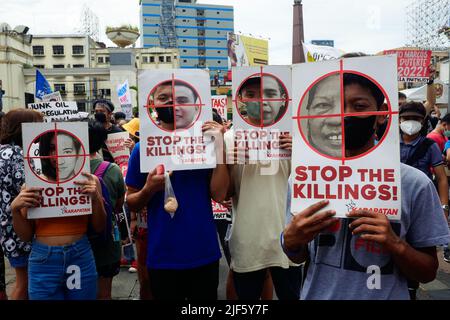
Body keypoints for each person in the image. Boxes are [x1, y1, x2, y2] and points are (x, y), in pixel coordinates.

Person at [282, 59, 450, 300]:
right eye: (334, 107)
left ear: (381, 114)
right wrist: (291, 240)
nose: (345, 115)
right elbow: (296, 256)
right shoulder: (303, 179)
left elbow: (427, 272)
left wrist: (395, 244)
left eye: (359, 106)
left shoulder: (414, 183)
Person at [126, 119, 229, 300]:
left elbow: (219, 195)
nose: (172, 104)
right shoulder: (142, 149)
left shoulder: (207, 146)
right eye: (164, 97)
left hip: (203, 252)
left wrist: (219, 147)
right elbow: (132, 202)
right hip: (162, 255)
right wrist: (148, 189)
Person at [11, 127, 107, 300]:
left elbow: (99, 227)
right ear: (44, 152)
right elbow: (25, 236)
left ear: (78, 151)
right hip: (43, 260)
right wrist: (15, 210)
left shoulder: (89, 182)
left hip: (80, 255)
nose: (57, 155)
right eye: (52, 148)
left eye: (66, 149)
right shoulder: (32, 186)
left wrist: (96, 198)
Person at [224, 119, 300, 299]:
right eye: (251, 94)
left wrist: (301, 154)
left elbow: (312, 186)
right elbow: (223, 194)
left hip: (289, 238)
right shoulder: (229, 138)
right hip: (248, 241)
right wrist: (228, 163)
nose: (260, 101)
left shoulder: (296, 138)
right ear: (240, 98)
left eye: (268, 93)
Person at [0, 109, 44, 300]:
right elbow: (30, 189)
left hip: (6, 229)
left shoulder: (3, 151)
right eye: (38, 125)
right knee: (24, 284)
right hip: (17, 230)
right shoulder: (17, 155)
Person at [88, 119, 125, 300]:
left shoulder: (63, 170)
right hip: (106, 243)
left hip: (77, 242)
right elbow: (119, 205)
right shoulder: (112, 170)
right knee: (104, 293)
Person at [399, 102, 448, 221]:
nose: (411, 122)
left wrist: (444, 209)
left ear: (422, 121)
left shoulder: (430, 146)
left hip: (422, 201)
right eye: (406, 118)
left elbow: (441, 178)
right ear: (399, 120)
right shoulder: (389, 144)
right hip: (396, 202)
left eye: (415, 118)